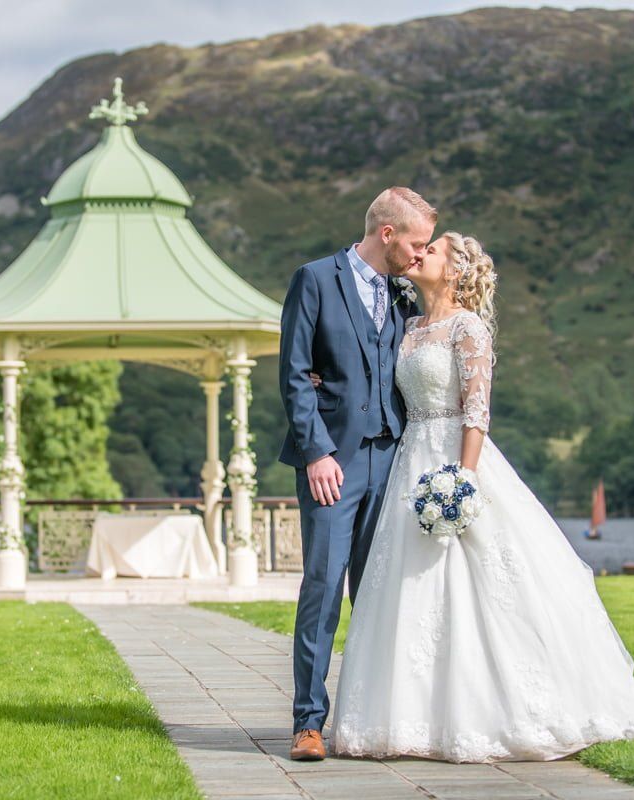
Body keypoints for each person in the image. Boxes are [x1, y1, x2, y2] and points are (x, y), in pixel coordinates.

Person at [329, 231, 634, 761]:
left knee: (482, 584)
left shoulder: (468, 328)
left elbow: (477, 410)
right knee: (408, 586)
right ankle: (410, 716)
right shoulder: (406, 326)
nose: (419, 253)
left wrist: (463, 480)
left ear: (455, 270)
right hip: (408, 464)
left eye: (431, 250)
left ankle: (494, 707)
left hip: (456, 459)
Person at [277, 187, 436, 761]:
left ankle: (372, 718)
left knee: (379, 591)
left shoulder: (404, 294)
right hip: (333, 464)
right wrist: (315, 452)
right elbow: (295, 373)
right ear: (387, 234)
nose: (420, 255)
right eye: (416, 244)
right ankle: (308, 723)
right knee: (323, 587)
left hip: (394, 460)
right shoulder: (315, 279)